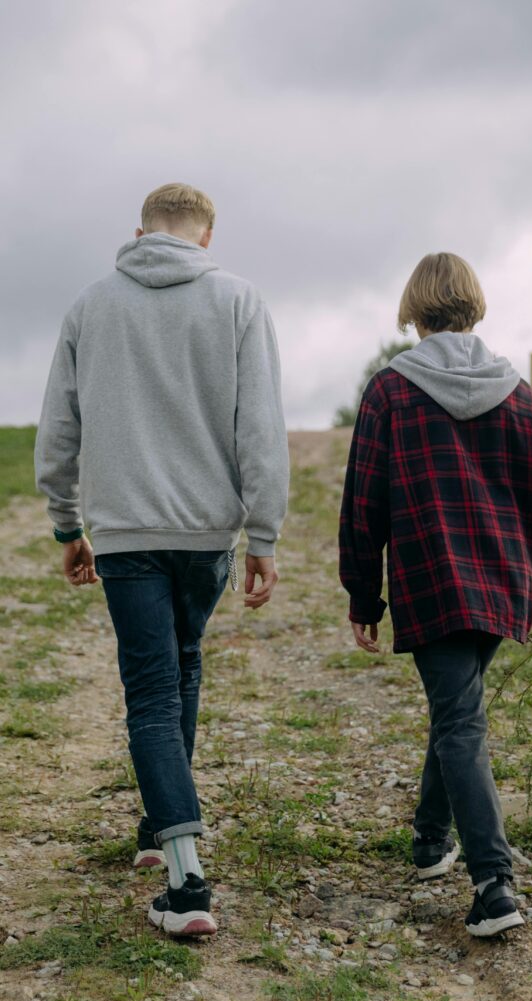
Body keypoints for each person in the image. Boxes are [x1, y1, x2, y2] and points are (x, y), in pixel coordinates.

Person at [34, 183, 289, 936]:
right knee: (180, 665)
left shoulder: (91, 305)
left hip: (125, 534)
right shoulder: (239, 300)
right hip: (207, 534)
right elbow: (261, 428)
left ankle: (186, 884)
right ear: (207, 237)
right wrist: (263, 535)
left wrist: (66, 524)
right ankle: (161, 826)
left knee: (152, 688)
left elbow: (58, 430)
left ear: (141, 232)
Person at [338, 252, 532, 938]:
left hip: (431, 582)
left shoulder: (390, 391)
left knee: (460, 719)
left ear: (414, 309)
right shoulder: (519, 394)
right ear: (474, 304)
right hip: (504, 584)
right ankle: (429, 840)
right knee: (458, 709)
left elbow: (362, 504)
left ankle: (493, 885)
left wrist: (363, 596)